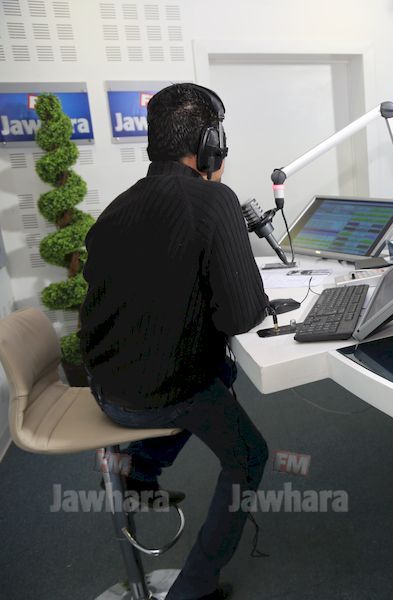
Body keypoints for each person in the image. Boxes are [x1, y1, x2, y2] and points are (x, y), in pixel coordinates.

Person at [79, 83, 270, 600]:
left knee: (223, 371)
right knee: (249, 454)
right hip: (159, 395)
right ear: (212, 146)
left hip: (103, 388)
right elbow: (242, 315)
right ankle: (194, 589)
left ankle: (139, 472)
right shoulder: (215, 200)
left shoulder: (116, 209)